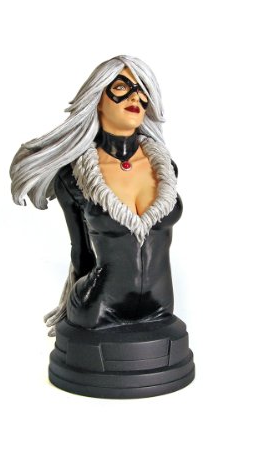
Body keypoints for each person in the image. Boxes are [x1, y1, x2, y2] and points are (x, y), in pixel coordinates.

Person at [10, 55, 182, 337]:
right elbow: (80, 254)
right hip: (99, 308)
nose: (135, 97)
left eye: (142, 90)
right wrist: (70, 308)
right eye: (121, 87)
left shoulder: (165, 168)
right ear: (97, 98)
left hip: (160, 305)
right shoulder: (74, 176)